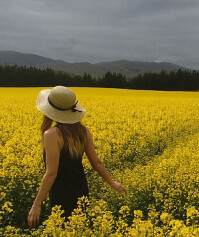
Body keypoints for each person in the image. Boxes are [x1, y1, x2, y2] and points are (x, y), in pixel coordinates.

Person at [28, 86, 127, 227]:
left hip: (61, 191)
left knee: (63, 230)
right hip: (81, 188)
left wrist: (36, 205)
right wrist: (112, 183)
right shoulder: (83, 131)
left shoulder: (51, 135)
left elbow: (51, 173)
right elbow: (96, 162)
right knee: (80, 229)